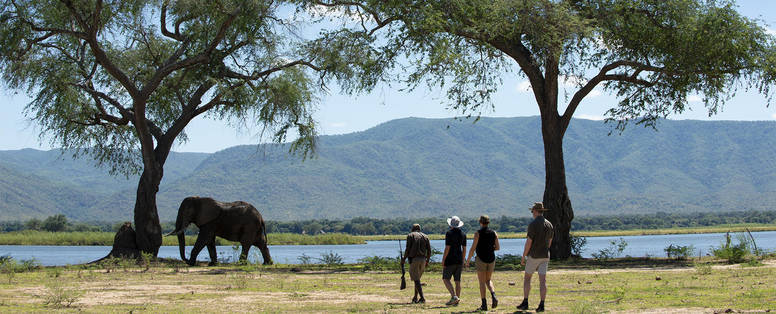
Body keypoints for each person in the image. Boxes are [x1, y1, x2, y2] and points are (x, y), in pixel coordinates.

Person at [517, 202, 554, 312]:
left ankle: (525, 301)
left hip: (534, 255)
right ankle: (542, 304)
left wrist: (523, 256)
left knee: (527, 278)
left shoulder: (533, 224)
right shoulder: (549, 224)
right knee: (543, 280)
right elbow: (550, 242)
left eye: (532, 211)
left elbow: (529, 242)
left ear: (536, 211)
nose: (532, 213)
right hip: (545, 255)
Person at [465, 215, 500, 311]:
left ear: (480, 222)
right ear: (488, 222)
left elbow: (473, 248)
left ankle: (484, 304)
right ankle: (493, 295)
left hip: (481, 259)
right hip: (491, 259)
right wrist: (489, 248)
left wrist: (468, 260)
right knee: (488, 280)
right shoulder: (494, 233)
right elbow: (497, 247)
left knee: (481, 282)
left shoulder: (478, 233)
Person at [403, 223, 431, 304]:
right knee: (417, 279)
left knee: (416, 279)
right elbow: (429, 251)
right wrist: (427, 261)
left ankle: (422, 298)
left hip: (414, 259)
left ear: (412, 229)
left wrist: (404, 259)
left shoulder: (410, 235)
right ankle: (415, 297)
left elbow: (407, 249)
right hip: (423, 259)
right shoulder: (425, 236)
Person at [442, 215, 466, 306]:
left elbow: (447, 248)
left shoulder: (449, 233)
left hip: (450, 259)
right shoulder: (463, 234)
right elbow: (464, 249)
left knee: (446, 279)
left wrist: (443, 259)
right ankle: (457, 301)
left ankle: (454, 296)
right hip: (459, 259)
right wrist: (463, 260)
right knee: (457, 281)